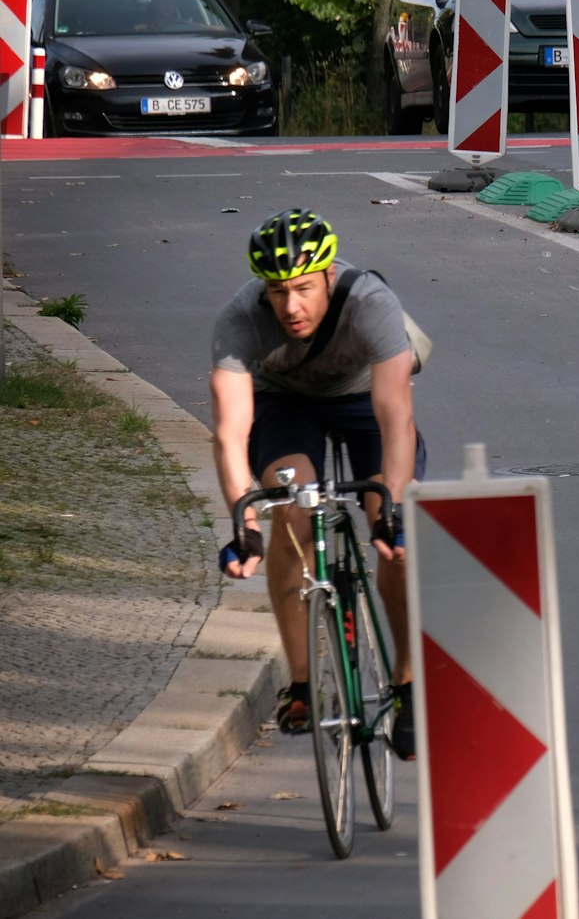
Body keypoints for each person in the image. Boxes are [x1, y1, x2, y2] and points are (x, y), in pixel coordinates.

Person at [210, 211, 425, 759]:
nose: (291, 307)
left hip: (362, 401)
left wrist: (391, 507)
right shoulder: (240, 319)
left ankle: (406, 683)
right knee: (292, 508)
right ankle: (302, 682)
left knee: (394, 536)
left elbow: (396, 418)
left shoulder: (371, 303)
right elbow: (231, 433)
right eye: (278, 292)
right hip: (285, 403)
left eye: (304, 289)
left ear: (329, 277)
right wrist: (245, 523)